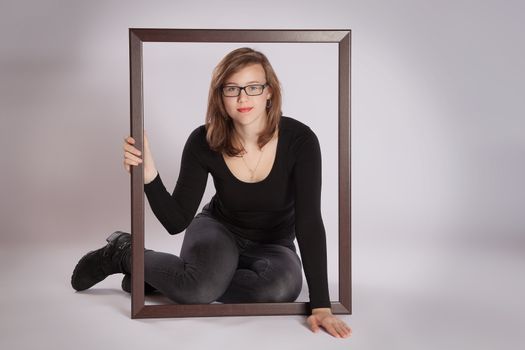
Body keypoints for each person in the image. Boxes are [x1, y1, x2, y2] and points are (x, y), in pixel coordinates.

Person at [71, 47, 351, 338]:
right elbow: (175, 221)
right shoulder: (203, 141)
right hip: (219, 230)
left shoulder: (301, 141)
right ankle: (124, 253)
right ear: (220, 95)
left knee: (280, 289)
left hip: (275, 244)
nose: (243, 98)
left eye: (253, 87)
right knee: (201, 288)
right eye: (232, 89)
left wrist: (320, 306)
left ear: (269, 92)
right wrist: (148, 175)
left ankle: (169, 279)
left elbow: (308, 221)